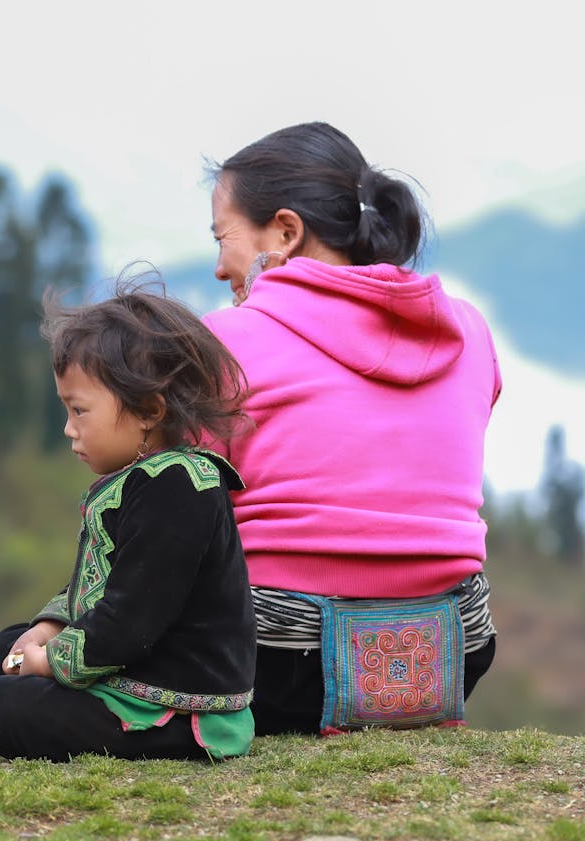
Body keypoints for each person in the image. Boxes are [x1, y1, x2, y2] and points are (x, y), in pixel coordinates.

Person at [202, 122, 500, 736]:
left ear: (285, 231)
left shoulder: (226, 341)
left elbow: (181, 501)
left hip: (279, 662)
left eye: (222, 238)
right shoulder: (468, 330)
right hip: (452, 653)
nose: (218, 267)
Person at [0, 280, 257, 762]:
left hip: (177, 703)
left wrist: (51, 661)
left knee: (4, 703)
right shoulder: (140, 480)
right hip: (127, 666)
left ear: (148, 410)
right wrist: (48, 627)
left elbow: (132, 616)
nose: (69, 429)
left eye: (79, 411)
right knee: (3, 650)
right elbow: (102, 584)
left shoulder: (180, 486)